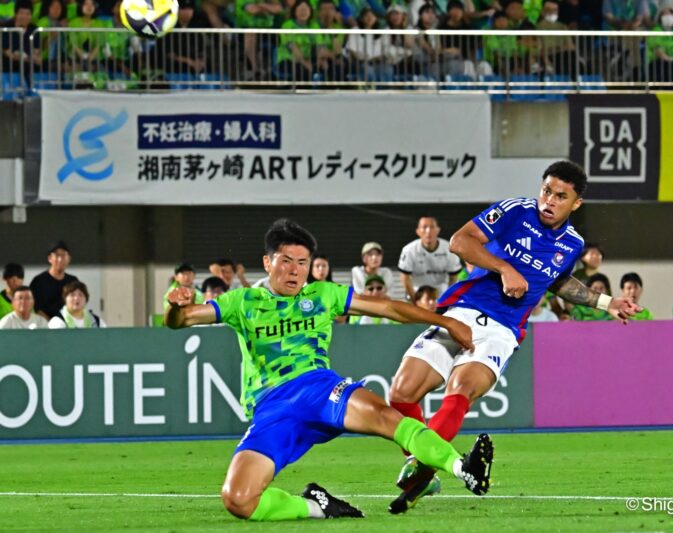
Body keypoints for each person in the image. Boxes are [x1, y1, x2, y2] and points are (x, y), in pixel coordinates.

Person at [164, 218, 494, 522]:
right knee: (238, 500)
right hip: (273, 410)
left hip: (319, 389)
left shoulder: (323, 294)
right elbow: (181, 321)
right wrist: (174, 307)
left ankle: (460, 467)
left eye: (303, 263)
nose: (295, 271)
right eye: (286, 261)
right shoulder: (242, 302)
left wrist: (445, 321)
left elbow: (389, 307)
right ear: (268, 263)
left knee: (384, 415)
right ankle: (318, 506)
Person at [387, 161, 640, 513]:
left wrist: (605, 301)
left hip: (502, 330)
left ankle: (424, 468)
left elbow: (559, 281)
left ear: (576, 203)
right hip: (461, 311)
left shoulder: (572, 243)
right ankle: (425, 465)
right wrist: (505, 268)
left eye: (560, 196)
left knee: (460, 388)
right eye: (546, 191)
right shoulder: (516, 210)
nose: (549, 200)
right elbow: (460, 242)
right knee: (401, 392)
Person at [398, 216, 462, 301]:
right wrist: (415, 300)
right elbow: (404, 277)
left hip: (441, 292)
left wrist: (448, 299)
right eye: (424, 227)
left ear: (438, 230)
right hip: (416, 292)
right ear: (418, 231)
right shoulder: (408, 250)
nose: (428, 231)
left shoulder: (450, 249)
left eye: (432, 227)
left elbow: (453, 277)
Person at [30, 240, 79, 319]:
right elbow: (36, 308)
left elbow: (77, 304)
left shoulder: (73, 281)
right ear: (50, 258)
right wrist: (51, 325)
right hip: (45, 325)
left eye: (63, 255)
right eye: (57, 255)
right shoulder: (38, 281)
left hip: (68, 325)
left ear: (69, 258)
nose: (60, 259)